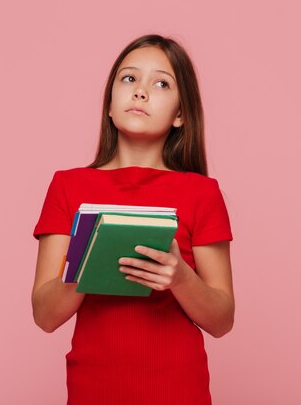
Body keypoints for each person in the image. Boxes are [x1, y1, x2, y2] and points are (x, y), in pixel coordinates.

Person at [32, 34, 234, 405]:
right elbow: (44, 316)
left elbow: (222, 320)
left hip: (178, 387)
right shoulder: (68, 186)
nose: (140, 92)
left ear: (180, 114)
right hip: (93, 386)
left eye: (161, 83)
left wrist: (180, 278)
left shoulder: (202, 193)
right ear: (109, 104)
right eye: (128, 79)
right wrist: (86, 261)